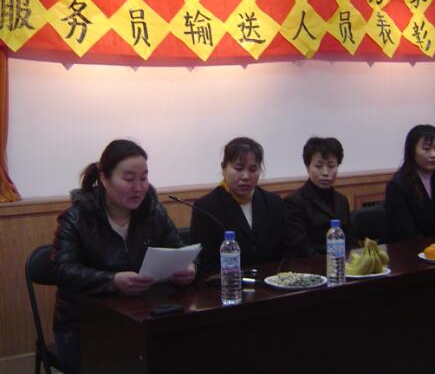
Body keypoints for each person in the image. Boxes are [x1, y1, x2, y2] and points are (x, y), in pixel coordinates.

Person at [52, 139, 196, 373]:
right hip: (85, 324)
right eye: (129, 179)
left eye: (144, 178)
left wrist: (189, 267)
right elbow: (62, 270)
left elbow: (179, 249)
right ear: (104, 178)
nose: (138, 187)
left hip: (143, 316)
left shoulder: (153, 212)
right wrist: (112, 280)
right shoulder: (77, 217)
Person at [190, 137, 285, 274]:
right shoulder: (206, 208)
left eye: (253, 169)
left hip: (272, 282)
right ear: (223, 168)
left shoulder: (274, 203)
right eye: (238, 168)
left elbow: (285, 253)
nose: (246, 176)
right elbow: (205, 263)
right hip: (227, 283)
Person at [384, 124, 435, 243]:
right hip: (404, 249)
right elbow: (407, 233)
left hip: (433, 248)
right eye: (426, 149)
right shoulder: (397, 186)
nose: (434, 155)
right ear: (412, 152)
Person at [284, 137, 355, 257]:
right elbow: (301, 247)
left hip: (342, 264)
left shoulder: (341, 200)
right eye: (318, 166)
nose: (325, 172)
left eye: (331, 166)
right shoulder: (294, 202)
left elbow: (351, 240)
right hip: (311, 265)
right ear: (307, 167)